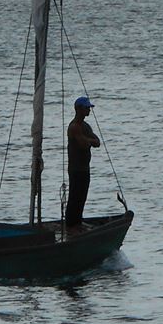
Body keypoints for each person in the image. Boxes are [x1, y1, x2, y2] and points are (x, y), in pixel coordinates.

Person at [65, 96, 101, 231]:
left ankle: (77, 222)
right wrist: (89, 140)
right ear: (78, 109)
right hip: (75, 169)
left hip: (85, 168)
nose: (89, 110)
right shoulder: (74, 127)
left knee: (82, 197)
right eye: (86, 108)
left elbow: (97, 142)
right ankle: (71, 225)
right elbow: (83, 144)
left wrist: (88, 140)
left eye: (89, 108)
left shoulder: (85, 126)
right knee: (74, 197)